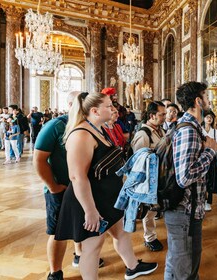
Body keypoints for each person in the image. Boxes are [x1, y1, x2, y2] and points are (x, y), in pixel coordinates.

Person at [54, 91, 157, 279]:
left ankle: (132, 267)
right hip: (90, 200)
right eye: (109, 106)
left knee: (122, 233)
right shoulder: (81, 134)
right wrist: (90, 211)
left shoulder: (98, 128)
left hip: (107, 197)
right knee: (93, 247)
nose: (113, 108)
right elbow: (77, 177)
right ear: (94, 110)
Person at [34, 92, 103, 280]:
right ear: (71, 105)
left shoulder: (91, 125)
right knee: (58, 233)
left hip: (84, 187)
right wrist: (53, 186)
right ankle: (55, 272)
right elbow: (39, 159)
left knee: (84, 224)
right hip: (61, 187)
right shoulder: (55, 126)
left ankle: (79, 254)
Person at [164, 81, 217, 279]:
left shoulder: (189, 126)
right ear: (198, 100)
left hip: (185, 208)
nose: (209, 100)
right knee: (186, 268)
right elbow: (184, 177)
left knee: (176, 263)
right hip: (184, 210)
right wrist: (211, 152)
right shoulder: (188, 130)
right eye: (206, 96)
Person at [131, 101, 166, 252]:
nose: (164, 117)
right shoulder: (143, 134)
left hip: (160, 176)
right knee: (148, 210)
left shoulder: (160, 131)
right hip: (148, 180)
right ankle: (149, 237)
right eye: (161, 114)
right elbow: (138, 161)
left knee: (155, 208)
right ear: (152, 116)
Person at [202, 110, 217, 211]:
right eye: (207, 117)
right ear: (203, 118)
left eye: (211, 117)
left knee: (216, 178)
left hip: (213, 158)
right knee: (205, 179)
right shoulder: (200, 130)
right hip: (203, 158)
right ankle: (207, 201)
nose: (209, 119)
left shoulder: (215, 131)